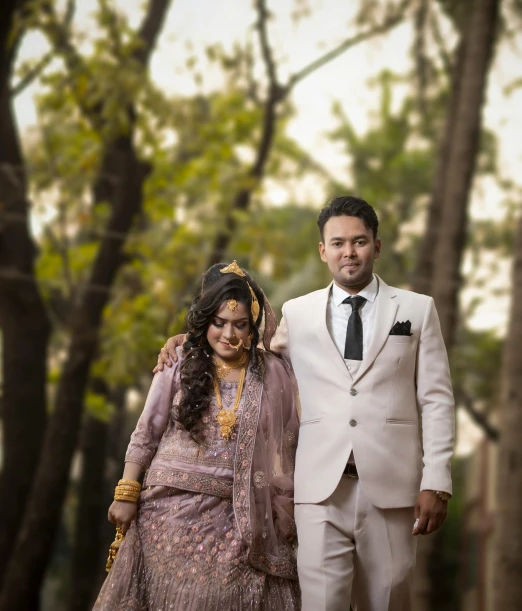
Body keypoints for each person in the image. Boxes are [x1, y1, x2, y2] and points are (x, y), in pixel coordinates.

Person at [157, 197, 455, 611]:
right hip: (318, 491)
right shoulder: (298, 313)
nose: (348, 252)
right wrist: (185, 341)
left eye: (359, 241)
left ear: (377, 246)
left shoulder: (417, 310)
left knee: (388, 603)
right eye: (337, 243)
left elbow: (437, 398)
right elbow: (239, 346)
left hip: (392, 489)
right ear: (323, 250)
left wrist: (436, 480)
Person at [94, 262, 300, 611]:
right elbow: (147, 430)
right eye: (219, 323)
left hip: (240, 521)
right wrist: (127, 492)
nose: (229, 335)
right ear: (206, 321)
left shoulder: (274, 372)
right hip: (166, 516)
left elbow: (287, 444)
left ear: (253, 327)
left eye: (240, 325)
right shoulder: (178, 361)